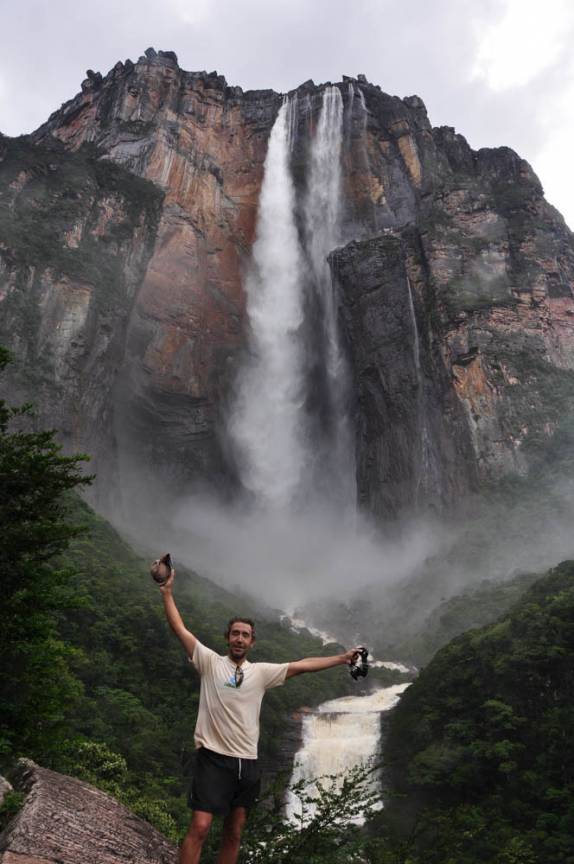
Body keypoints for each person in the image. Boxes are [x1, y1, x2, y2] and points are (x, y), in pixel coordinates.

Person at [151, 555, 361, 864]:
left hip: (247, 763)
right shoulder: (209, 663)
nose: (239, 639)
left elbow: (302, 666)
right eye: (235, 633)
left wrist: (342, 658)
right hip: (213, 758)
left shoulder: (261, 673)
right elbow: (179, 629)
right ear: (227, 638)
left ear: (252, 642)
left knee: (234, 832)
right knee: (200, 826)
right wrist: (167, 592)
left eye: (245, 635)